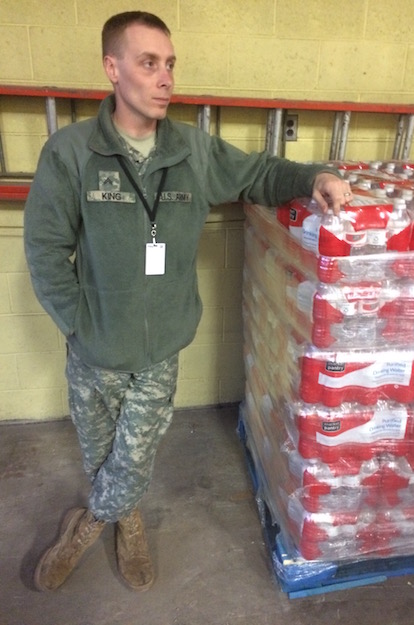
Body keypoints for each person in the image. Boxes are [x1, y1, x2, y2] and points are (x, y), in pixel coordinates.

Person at [23, 11, 353, 592]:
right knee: (105, 459)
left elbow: (261, 174)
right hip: (93, 349)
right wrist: (77, 325)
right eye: (149, 63)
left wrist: (314, 175)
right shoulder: (71, 153)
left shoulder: (192, 153)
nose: (165, 77)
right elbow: (46, 249)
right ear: (112, 68)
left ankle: (85, 529)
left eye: (170, 63)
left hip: (160, 348)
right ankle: (125, 521)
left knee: (132, 459)